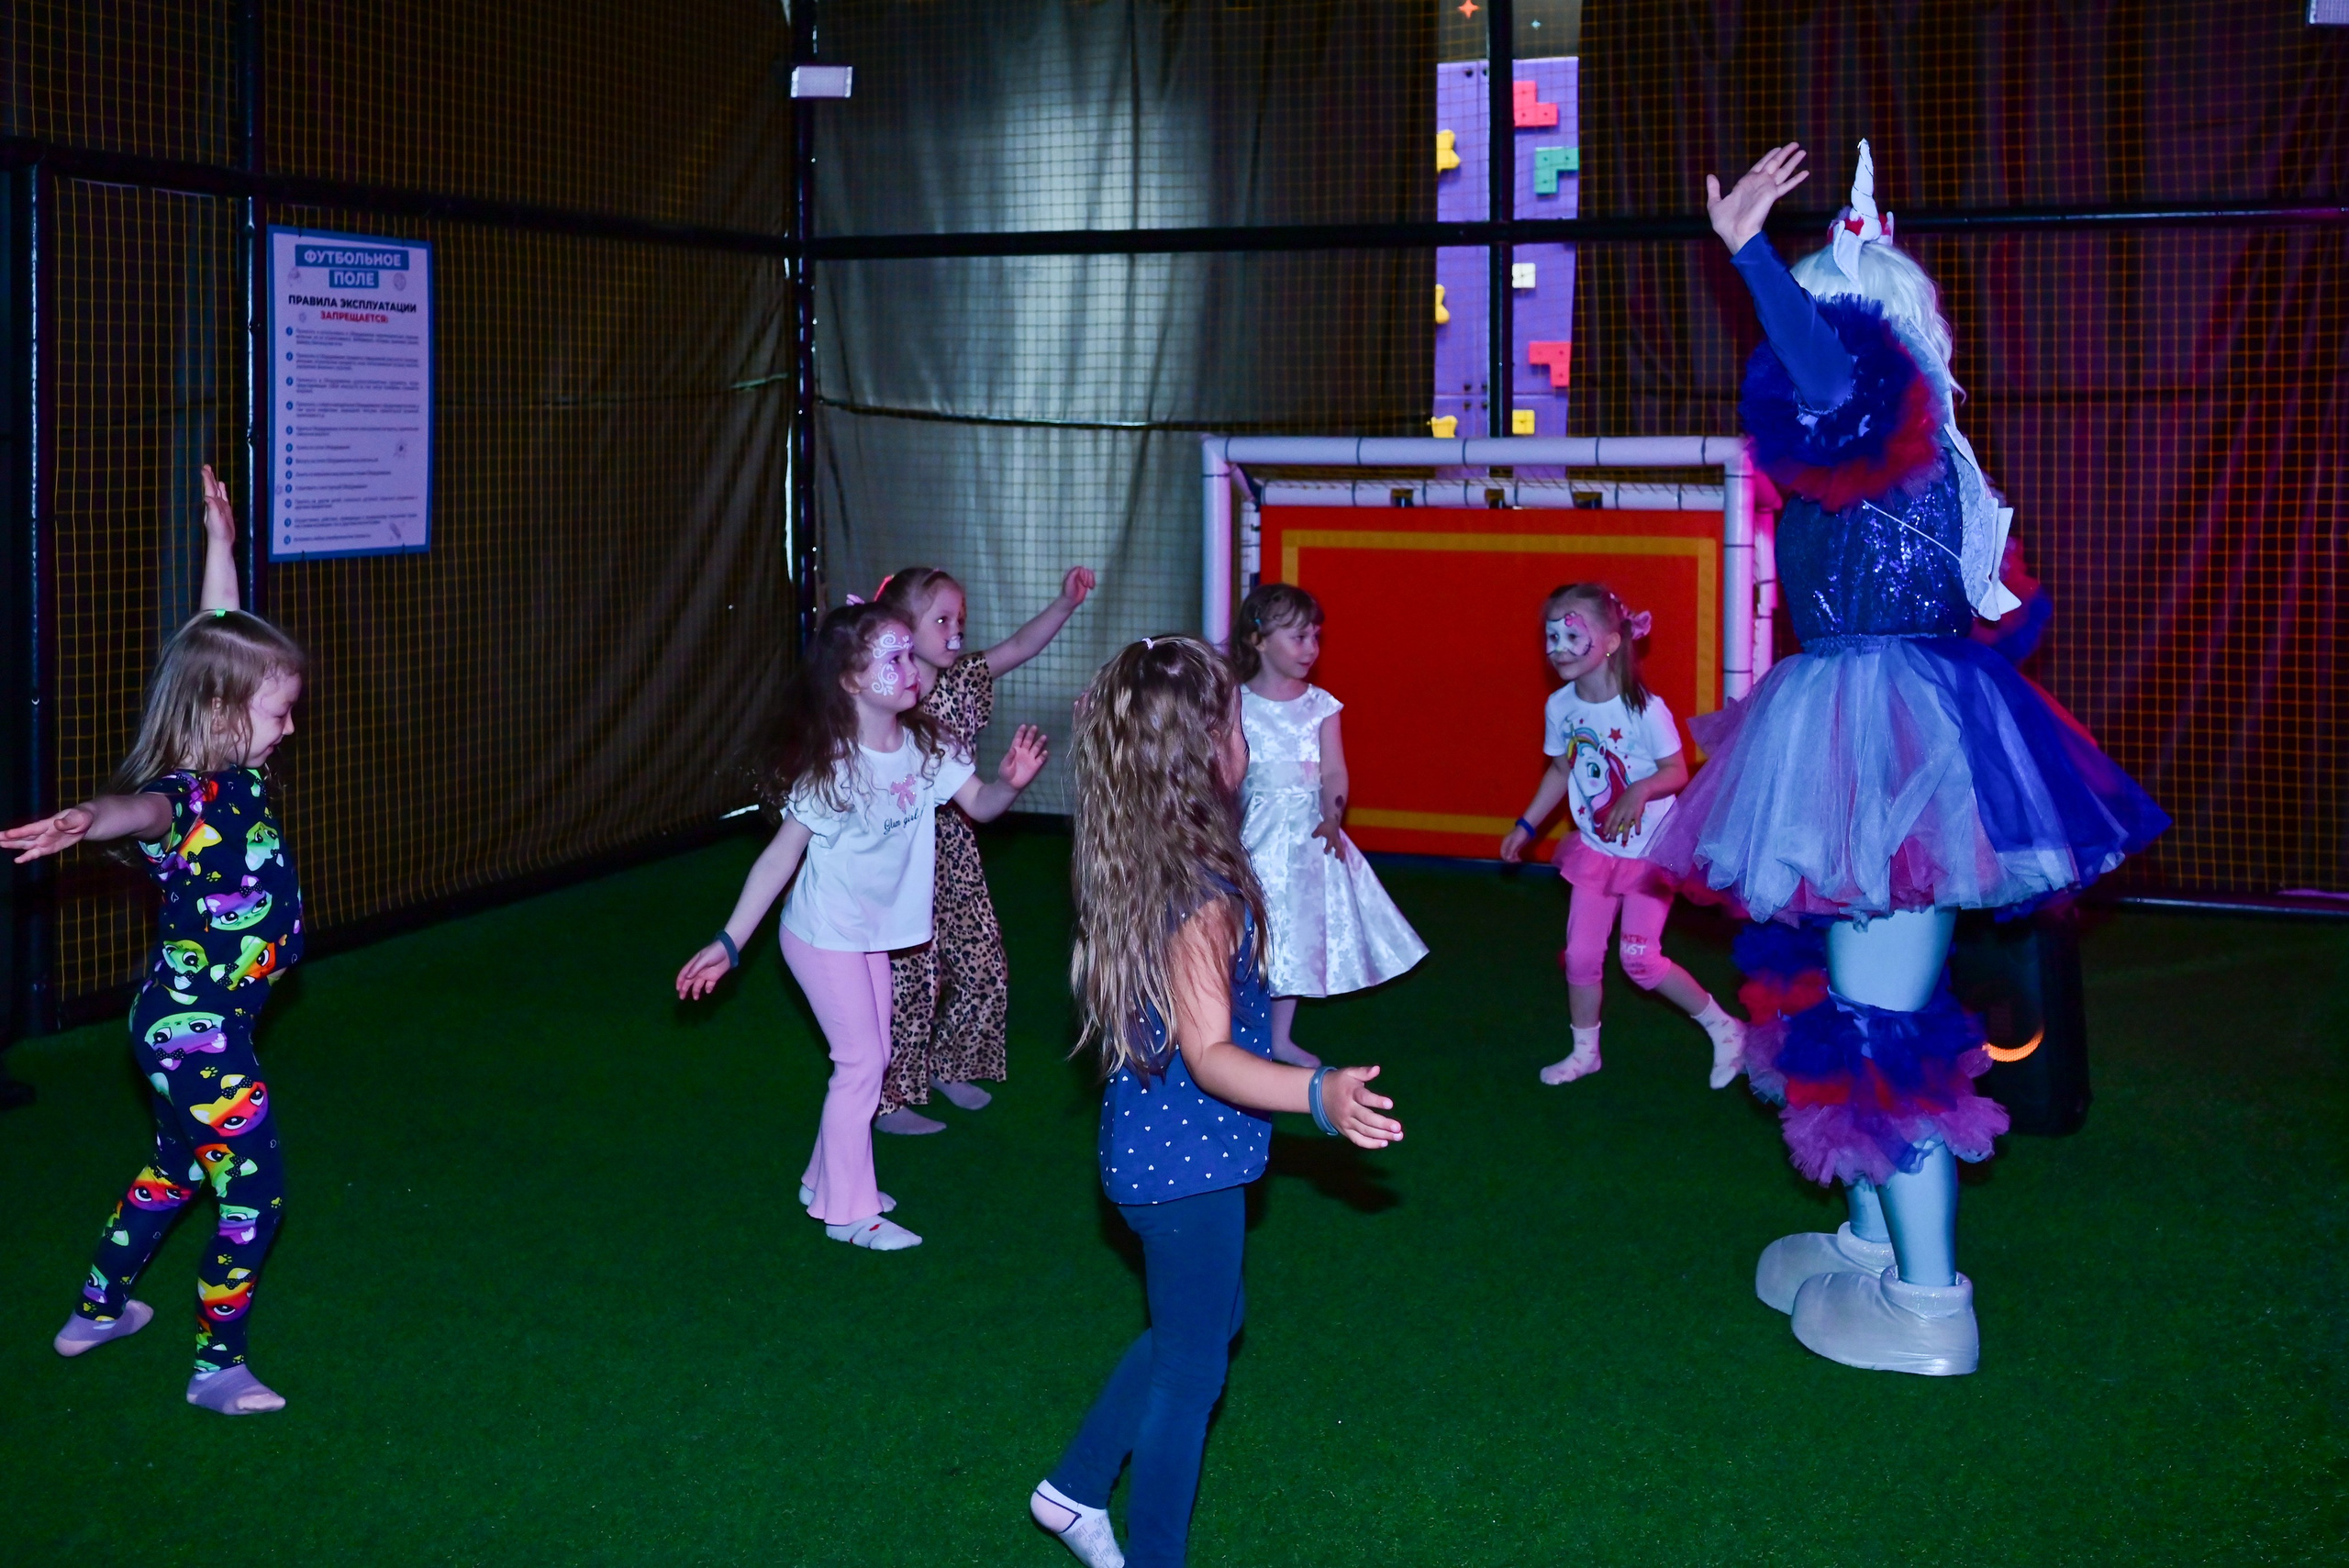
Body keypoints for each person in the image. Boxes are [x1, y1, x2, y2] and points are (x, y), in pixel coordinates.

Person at [1647, 141, 2167, 1373]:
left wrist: (1749, 257)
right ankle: (1873, 1246)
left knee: (1883, 1029)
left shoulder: (1870, 412)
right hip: (1870, 738)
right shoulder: (1920, 462)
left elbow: (1823, 366)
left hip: (1881, 749)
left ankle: (1932, 1302)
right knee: (1842, 1012)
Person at [1030, 636, 1402, 1568]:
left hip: (1154, 1152)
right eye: (1239, 724)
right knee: (1192, 1371)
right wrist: (1316, 1089)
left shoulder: (1134, 844)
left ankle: (1072, 1487)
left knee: (1204, 1322)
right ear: (1209, 749)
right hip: (1185, 1164)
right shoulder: (1199, 890)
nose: (1252, 740)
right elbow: (1213, 1056)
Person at [2, 465, 303, 1415]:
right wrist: (86, 818)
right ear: (224, 716)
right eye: (280, 710)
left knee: (175, 1168)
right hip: (198, 1032)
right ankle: (218, 1364)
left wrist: (220, 545)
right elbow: (134, 809)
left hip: (187, 1023)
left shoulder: (230, 755)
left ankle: (98, 1308)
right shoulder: (187, 792)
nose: (290, 725)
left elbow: (220, 646)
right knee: (254, 1190)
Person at [674, 603, 1048, 1251]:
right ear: (851, 681)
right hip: (822, 935)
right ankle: (850, 1215)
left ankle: (825, 1180)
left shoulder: (926, 746)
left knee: (866, 1064)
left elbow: (981, 806)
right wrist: (729, 941)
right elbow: (778, 858)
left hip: (871, 933)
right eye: (894, 658)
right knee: (862, 1064)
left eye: (911, 653)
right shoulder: (834, 767)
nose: (911, 668)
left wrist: (1009, 784)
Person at [866, 564, 1095, 1135]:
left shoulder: (965, 676)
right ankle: (890, 1094)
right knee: (911, 976)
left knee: (981, 961)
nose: (955, 632)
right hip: (899, 850)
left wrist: (1064, 604)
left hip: (957, 841)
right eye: (941, 620)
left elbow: (1020, 645)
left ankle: (950, 1063)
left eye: (960, 621)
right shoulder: (884, 687)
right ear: (901, 625)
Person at [1498, 584, 1747, 1089]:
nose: (1557, 648)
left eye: (1572, 635)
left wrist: (1639, 790)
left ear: (1611, 642)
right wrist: (1526, 824)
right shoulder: (1560, 707)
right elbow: (1559, 769)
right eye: (1551, 636)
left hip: (1650, 852)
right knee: (1583, 955)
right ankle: (1584, 1051)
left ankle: (1726, 1029)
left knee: (1640, 959)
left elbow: (1676, 771)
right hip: (1595, 849)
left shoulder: (1644, 710)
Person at [1229, 584, 1427, 1068]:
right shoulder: (1235, 701)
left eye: (1315, 637)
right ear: (1258, 640)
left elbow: (1334, 770)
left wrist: (1333, 814)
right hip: (1254, 832)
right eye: (1298, 638)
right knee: (1240, 928)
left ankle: (1279, 1035)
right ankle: (1227, 1026)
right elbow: (1226, 771)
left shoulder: (1321, 704)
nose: (1311, 649)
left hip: (1306, 835)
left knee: (1292, 931)